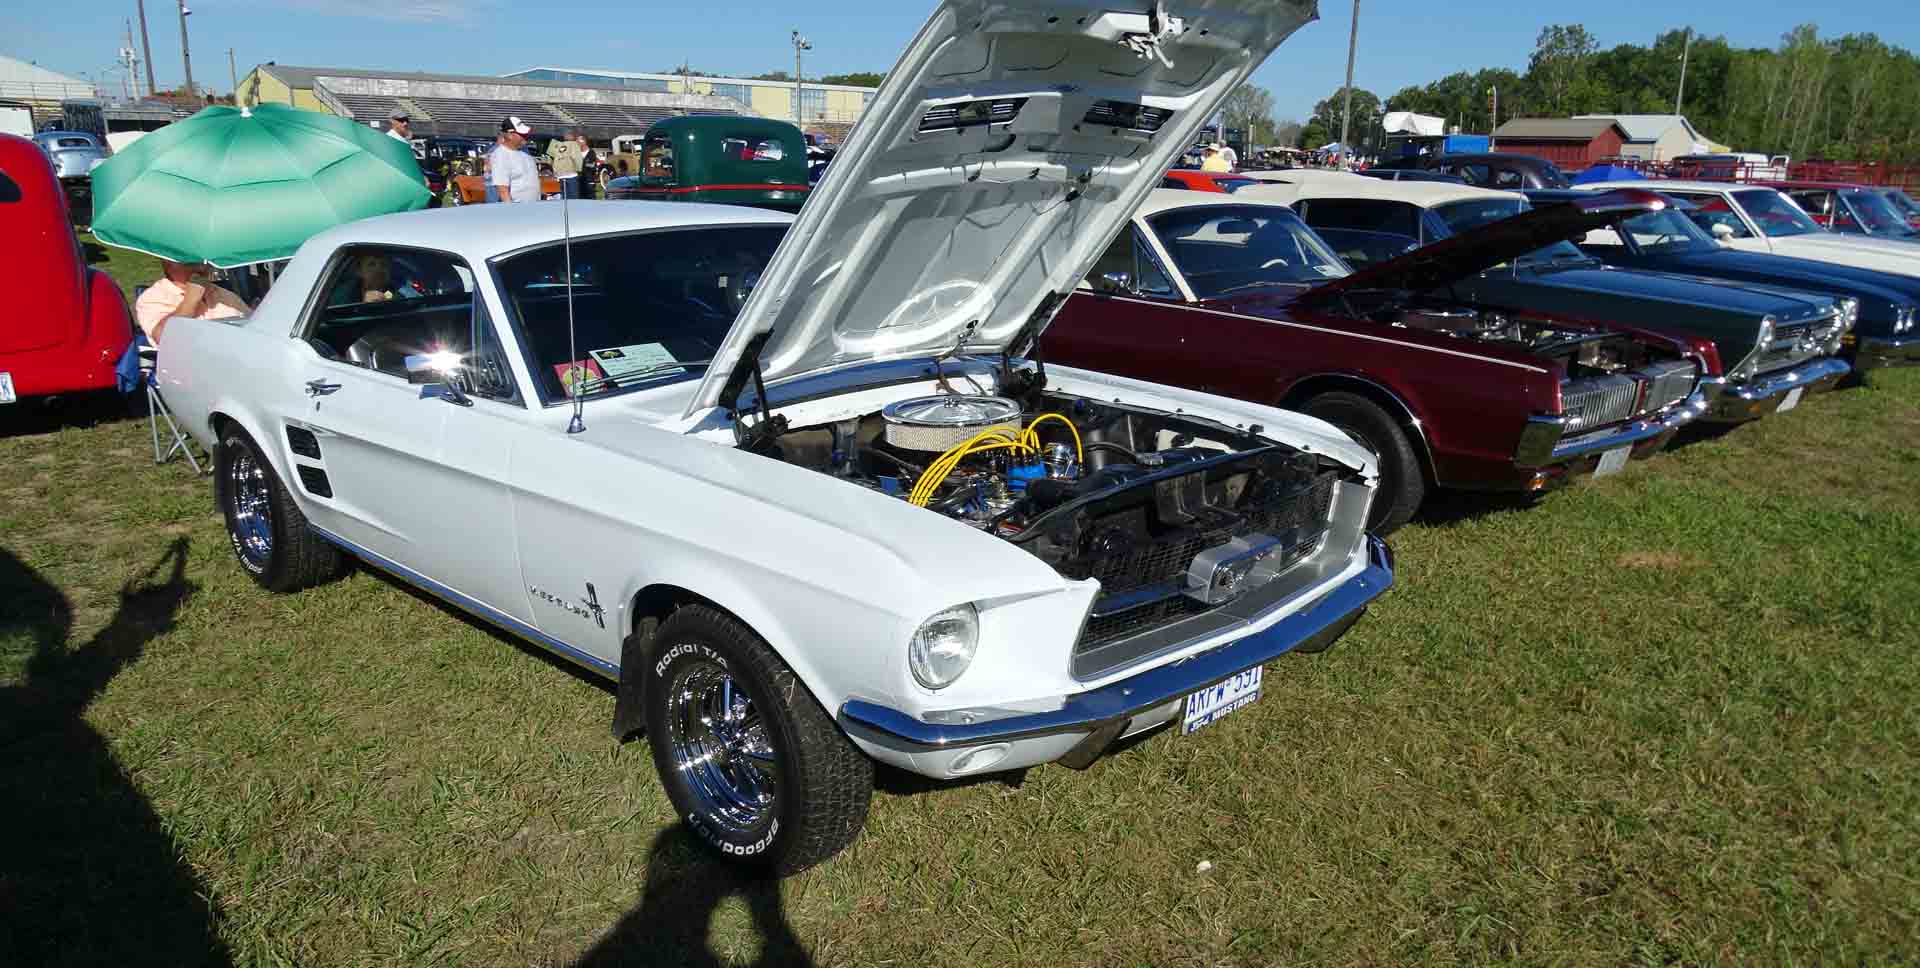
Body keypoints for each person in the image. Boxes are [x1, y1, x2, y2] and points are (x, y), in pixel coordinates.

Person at [134, 260, 250, 344]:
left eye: (204, 261)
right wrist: (191, 300)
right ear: (168, 264)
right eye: (192, 262)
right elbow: (162, 337)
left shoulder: (224, 295)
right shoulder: (152, 298)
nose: (203, 267)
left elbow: (253, 325)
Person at [490, 117, 541, 204]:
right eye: (522, 134)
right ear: (509, 135)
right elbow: (502, 190)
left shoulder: (525, 154)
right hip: (518, 209)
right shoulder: (500, 155)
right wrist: (511, 210)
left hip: (535, 207)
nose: (526, 136)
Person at [547, 128, 587, 199]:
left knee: (563, 197)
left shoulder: (557, 144)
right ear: (572, 136)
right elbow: (577, 158)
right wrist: (579, 170)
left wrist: (554, 170)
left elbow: (549, 158)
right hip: (571, 174)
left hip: (559, 175)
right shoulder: (574, 145)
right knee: (573, 198)